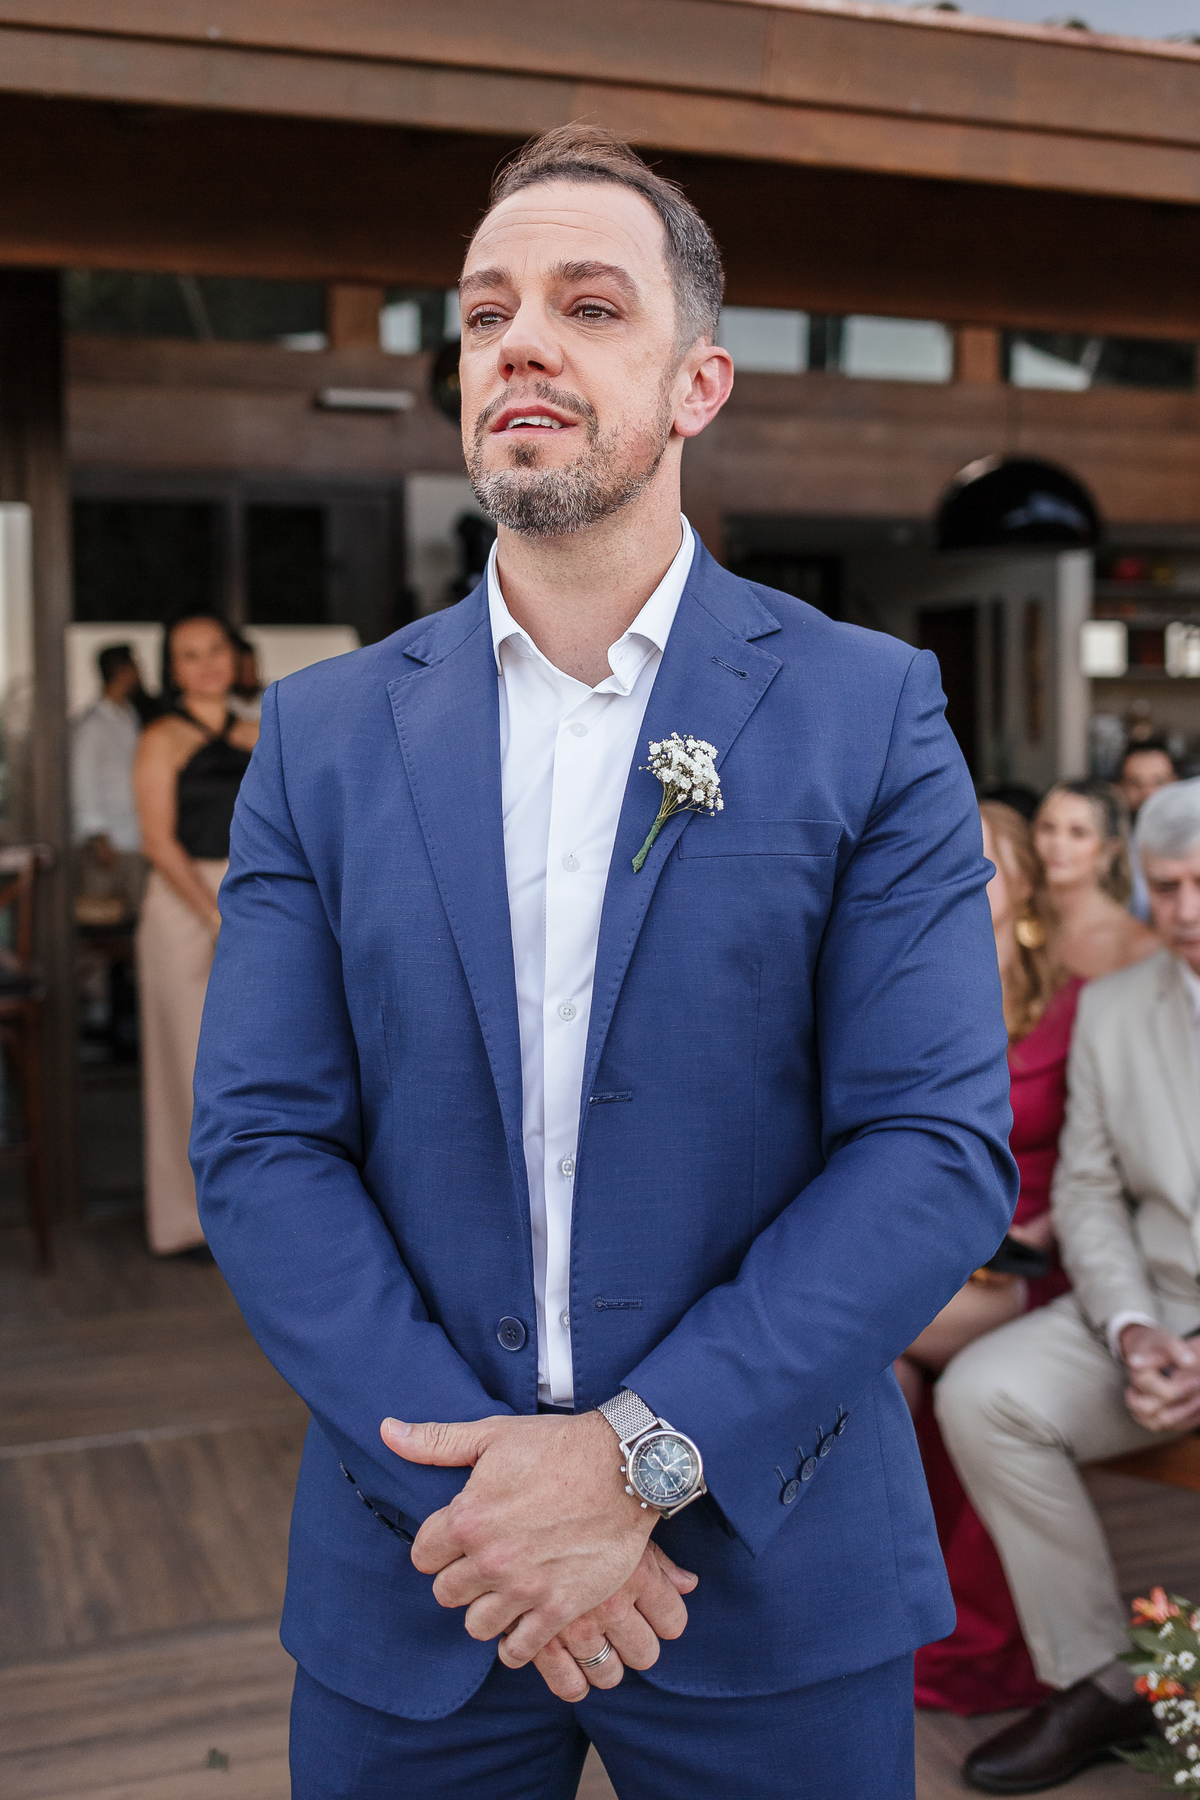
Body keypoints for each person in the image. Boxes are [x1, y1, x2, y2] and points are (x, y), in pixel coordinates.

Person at [191, 125, 1015, 1800]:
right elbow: (263, 1144)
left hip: (769, 1563)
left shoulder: (870, 714)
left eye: (587, 305)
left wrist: (636, 1462)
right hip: (426, 1560)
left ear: (698, 382)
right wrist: (495, 1506)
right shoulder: (323, 737)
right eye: (487, 312)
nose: (521, 345)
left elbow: (931, 1149)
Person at [937, 775, 1200, 1793]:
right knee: (983, 1394)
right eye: (1166, 887)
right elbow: (1088, 1192)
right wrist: (1132, 1327)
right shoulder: (1117, 1005)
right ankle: (1102, 1679)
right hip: (1149, 1307)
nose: (1185, 910)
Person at [900, 802, 1083, 1715]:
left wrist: (1040, 1233)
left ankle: (968, 1635)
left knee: (859, 1334)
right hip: (937, 1263)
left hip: (1041, 1263)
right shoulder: (920, 997)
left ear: (1027, 892)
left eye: (985, 863)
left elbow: (1103, 1161)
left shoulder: (1080, 1007)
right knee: (883, 1370)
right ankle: (896, 1607)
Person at [134, 613, 257, 1256]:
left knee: (254, 1067)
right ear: (172, 669)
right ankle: (187, 1223)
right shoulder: (160, 737)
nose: (207, 664)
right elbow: (158, 842)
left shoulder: (262, 730)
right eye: (190, 654)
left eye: (216, 650)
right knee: (185, 1063)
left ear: (235, 658)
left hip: (253, 899)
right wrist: (213, 913)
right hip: (184, 904)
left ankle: (251, 1218)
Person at [1033, 777, 1158, 979]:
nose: (1058, 844)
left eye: (1078, 833)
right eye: (1048, 827)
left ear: (1110, 849)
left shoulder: (1139, 945)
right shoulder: (1016, 921)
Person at [71, 644, 147, 922]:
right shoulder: (93, 725)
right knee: (103, 921)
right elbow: (83, 780)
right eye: (135, 667)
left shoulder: (129, 714)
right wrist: (98, 836)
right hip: (110, 841)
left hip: (135, 836)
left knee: (135, 917)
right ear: (122, 672)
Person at [1116, 738, 1178, 922]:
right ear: (1121, 787)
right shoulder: (1111, 847)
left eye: (1159, 782)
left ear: (1176, 782)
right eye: (1135, 784)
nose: (1148, 794)